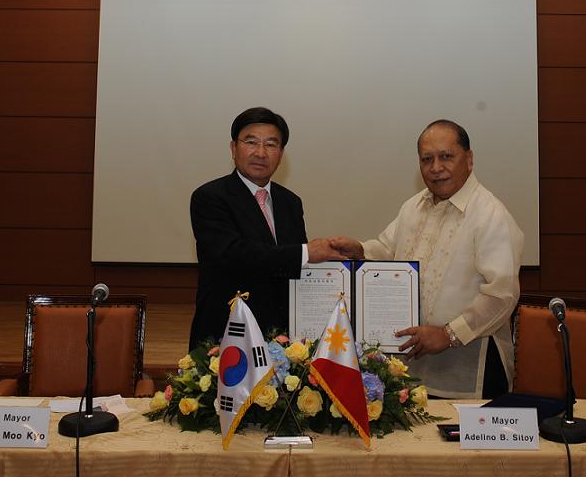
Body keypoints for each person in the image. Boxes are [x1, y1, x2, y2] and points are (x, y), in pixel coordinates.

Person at [330, 120, 524, 399]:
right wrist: (360, 251)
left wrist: (448, 334)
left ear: (468, 160)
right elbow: (387, 250)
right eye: (427, 159)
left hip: (469, 371)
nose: (436, 168)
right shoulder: (414, 206)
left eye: (446, 157)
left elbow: (502, 294)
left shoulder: (491, 215)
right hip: (410, 368)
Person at [189, 107, 343, 348]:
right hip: (226, 336)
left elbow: (293, 268)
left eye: (271, 144)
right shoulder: (210, 197)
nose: (261, 153)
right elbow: (233, 254)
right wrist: (305, 253)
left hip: (280, 338)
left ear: (281, 154)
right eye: (251, 142)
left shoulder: (290, 202)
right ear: (233, 148)